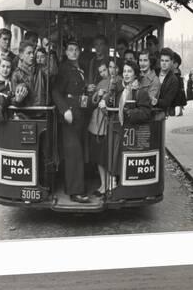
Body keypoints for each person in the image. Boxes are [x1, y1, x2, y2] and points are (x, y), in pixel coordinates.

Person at [52, 40, 90, 204]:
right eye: (71, 50)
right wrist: (64, 110)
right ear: (66, 53)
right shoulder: (64, 69)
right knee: (74, 152)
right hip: (70, 115)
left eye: (76, 49)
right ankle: (75, 191)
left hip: (80, 114)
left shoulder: (80, 68)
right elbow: (55, 91)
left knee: (78, 151)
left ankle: (77, 187)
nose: (74, 52)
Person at [88, 60, 120, 195]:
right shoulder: (101, 83)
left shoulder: (117, 81)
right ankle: (103, 184)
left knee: (105, 155)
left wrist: (103, 98)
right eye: (100, 71)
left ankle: (110, 181)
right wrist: (98, 94)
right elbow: (94, 100)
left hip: (107, 123)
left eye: (105, 69)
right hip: (97, 124)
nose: (104, 73)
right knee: (98, 156)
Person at [11, 41, 49, 107]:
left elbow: (52, 73)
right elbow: (12, 99)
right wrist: (17, 100)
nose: (32, 56)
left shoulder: (41, 70)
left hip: (41, 112)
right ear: (21, 56)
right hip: (24, 115)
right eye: (29, 53)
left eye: (33, 53)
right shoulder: (16, 74)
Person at [117, 61, 152, 126]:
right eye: (124, 71)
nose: (126, 74)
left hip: (135, 130)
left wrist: (130, 112)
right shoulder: (122, 90)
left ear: (135, 74)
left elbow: (146, 113)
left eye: (129, 71)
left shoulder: (141, 92)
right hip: (121, 129)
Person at [150, 48, 179, 116]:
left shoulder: (173, 80)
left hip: (160, 113)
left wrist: (156, 101)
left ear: (172, 62)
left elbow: (167, 101)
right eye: (162, 60)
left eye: (167, 61)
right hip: (146, 109)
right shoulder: (154, 72)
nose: (164, 63)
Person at [172, 52, 187, 116]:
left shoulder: (176, 71)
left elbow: (180, 80)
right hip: (177, 87)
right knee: (176, 99)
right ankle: (177, 111)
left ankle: (179, 111)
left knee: (178, 99)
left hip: (178, 87)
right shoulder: (176, 71)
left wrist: (182, 87)